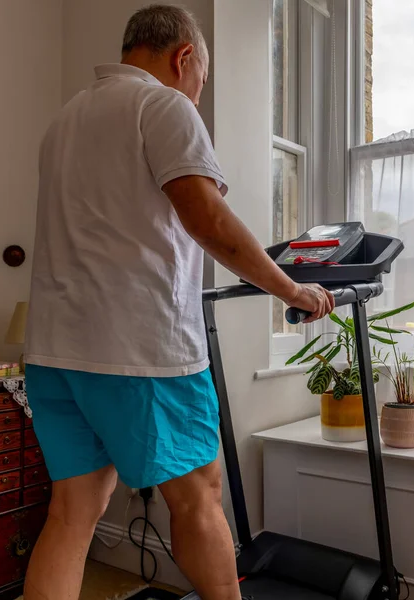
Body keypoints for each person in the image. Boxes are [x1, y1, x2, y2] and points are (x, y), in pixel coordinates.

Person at [23, 5, 335, 600]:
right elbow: (209, 222)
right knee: (198, 498)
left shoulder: (65, 119)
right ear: (184, 57)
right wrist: (293, 291)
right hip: (140, 351)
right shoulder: (162, 104)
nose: (197, 93)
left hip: (55, 352)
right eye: (202, 80)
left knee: (71, 514)